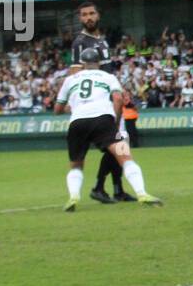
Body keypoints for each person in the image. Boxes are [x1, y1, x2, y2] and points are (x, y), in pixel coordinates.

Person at [54, 47, 161, 210]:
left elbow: (57, 110)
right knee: (125, 157)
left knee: (76, 165)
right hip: (102, 120)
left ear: (82, 63)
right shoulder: (108, 77)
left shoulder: (70, 79)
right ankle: (142, 193)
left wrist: (75, 107)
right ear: (99, 62)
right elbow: (117, 98)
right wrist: (116, 121)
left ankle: (73, 197)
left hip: (77, 123)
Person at [70, 2, 134, 203]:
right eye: (84, 15)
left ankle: (117, 189)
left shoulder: (102, 40)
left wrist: (120, 89)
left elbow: (107, 72)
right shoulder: (80, 42)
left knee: (120, 143)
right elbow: (75, 73)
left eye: (91, 13)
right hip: (101, 104)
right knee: (119, 143)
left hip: (111, 98)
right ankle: (100, 187)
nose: (88, 17)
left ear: (98, 16)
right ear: (80, 19)